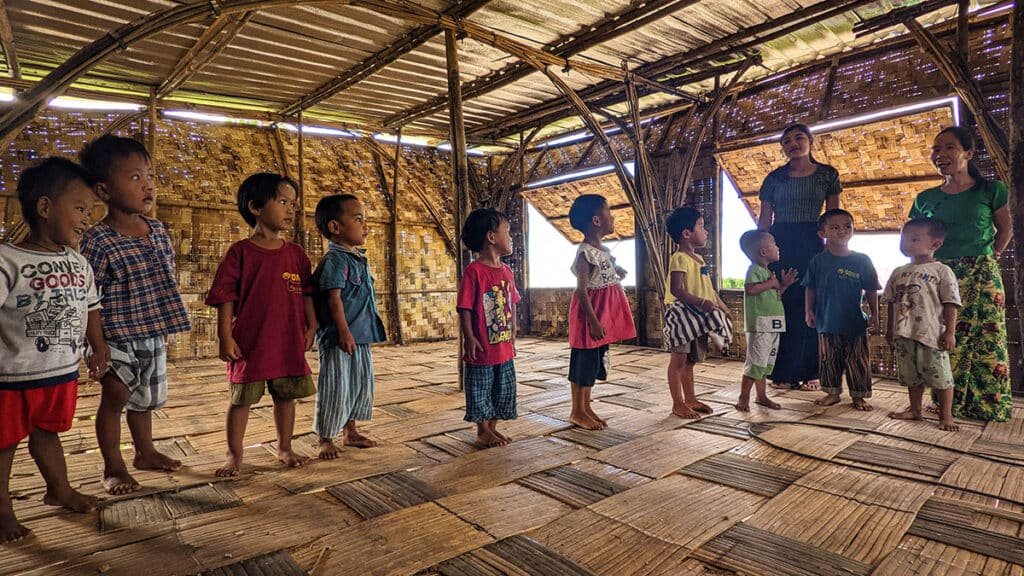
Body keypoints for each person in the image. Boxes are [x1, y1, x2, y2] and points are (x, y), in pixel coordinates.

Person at [0, 158, 106, 543]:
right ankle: (2, 509)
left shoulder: (79, 263)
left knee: (48, 433)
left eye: (91, 212)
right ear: (45, 208)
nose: (86, 219)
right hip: (11, 377)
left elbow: (91, 306)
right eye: (79, 209)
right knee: (4, 442)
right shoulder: (8, 260)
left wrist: (99, 347)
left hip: (60, 372)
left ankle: (58, 489)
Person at [79, 136, 192, 495]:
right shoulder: (97, 240)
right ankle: (113, 466)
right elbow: (88, 297)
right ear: (104, 190)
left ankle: (145, 452)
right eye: (134, 178)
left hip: (151, 333)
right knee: (115, 399)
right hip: (114, 336)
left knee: (144, 400)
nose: (147, 185)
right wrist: (96, 346)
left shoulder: (157, 230)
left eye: (150, 176)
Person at [206, 173, 317, 476]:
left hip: (287, 340)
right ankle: (234, 454)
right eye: (283, 202)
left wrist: (312, 325)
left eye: (293, 203)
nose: (291, 209)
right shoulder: (240, 252)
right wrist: (225, 336)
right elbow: (225, 296)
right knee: (241, 400)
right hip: (251, 342)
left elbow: (307, 292)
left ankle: (284, 446)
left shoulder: (296, 254)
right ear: (256, 207)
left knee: (286, 396)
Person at [908, 126, 1013, 422]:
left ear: (968, 153)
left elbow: (1005, 230)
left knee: (986, 337)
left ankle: (987, 404)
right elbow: (915, 237)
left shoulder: (991, 190)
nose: (940, 155)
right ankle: (945, 405)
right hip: (939, 274)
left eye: (949, 148)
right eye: (936, 149)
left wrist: (990, 257)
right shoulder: (925, 198)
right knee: (943, 337)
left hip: (981, 272)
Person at [757, 124, 842, 391]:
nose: (793, 143)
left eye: (798, 138)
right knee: (785, 304)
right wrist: (760, 254)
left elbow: (833, 217)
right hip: (780, 242)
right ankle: (782, 372)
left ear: (810, 141)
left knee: (813, 303)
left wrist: (834, 248)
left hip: (812, 241)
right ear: (782, 147)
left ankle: (812, 372)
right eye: (786, 141)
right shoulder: (774, 179)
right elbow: (764, 220)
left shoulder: (827, 175)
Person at [312, 194, 386, 459]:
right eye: (357, 219)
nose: (364, 225)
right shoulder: (336, 260)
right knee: (335, 386)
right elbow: (333, 299)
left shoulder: (357, 258)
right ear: (335, 227)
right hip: (339, 338)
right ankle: (325, 438)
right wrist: (343, 331)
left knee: (358, 384)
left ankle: (350, 431)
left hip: (361, 335)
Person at [883, 218, 961, 431]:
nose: (906, 243)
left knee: (941, 376)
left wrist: (950, 332)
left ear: (935, 244)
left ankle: (946, 415)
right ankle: (915, 410)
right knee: (911, 376)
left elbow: (951, 303)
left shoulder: (942, 271)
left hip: (931, 334)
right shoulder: (898, 272)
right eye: (904, 238)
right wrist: (890, 329)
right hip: (903, 333)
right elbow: (890, 302)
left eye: (914, 238)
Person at [566, 195, 636, 430]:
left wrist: (618, 271)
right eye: (608, 211)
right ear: (596, 220)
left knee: (593, 364)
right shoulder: (586, 253)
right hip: (590, 317)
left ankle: (586, 407)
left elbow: (607, 272)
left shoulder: (602, 250)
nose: (612, 216)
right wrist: (594, 322)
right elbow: (582, 291)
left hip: (601, 315)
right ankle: (577, 411)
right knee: (582, 366)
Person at [803, 209, 880, 410]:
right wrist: (808, 311)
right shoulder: (817, 261)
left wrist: (875, 316)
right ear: (823, 234)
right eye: (835, 227)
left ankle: (858, 396)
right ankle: (832, 393)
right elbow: (810, 287)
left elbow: (871, 289)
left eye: (847, 226)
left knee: (858, 361)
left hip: (854, 322)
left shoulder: (862, 260)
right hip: (826, 321)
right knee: (829, 359)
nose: (842, 231)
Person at [457, 208, 520, 447]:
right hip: (483, 344)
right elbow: (465, 307)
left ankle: (493, 427)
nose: (511, 237)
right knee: (480, 386)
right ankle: (482, 430)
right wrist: (469, 337)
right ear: (491, 237)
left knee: (502, 387)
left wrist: (513, 332)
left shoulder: (507, 271)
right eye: (508, 232)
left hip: (503, 344)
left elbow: (513, 302)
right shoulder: (474, 272)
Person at [663, 207, 732, 419]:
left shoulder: (699, 260)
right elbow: (676, 289)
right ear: (686, 233)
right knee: (678, 359)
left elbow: (708, 288)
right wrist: (700, 302)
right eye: (701, 226)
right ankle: (678, 403)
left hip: (698, 317)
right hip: (682, 314)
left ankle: (691, 399)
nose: (705, 231)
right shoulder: (679, 258)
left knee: (691, 360)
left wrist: (722, 306)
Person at [737, 230, 796, 411]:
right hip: (760, 325)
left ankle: (761, 397)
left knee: (763, 363)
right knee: (755, 362)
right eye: (774, 243)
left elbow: (775, 294)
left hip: (772, 324)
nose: (778, 247)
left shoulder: (767, 271)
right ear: (763, 251)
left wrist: (783, 285)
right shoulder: (754, 270)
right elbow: (751, 290)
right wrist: (772, 283)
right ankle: (743, 397)